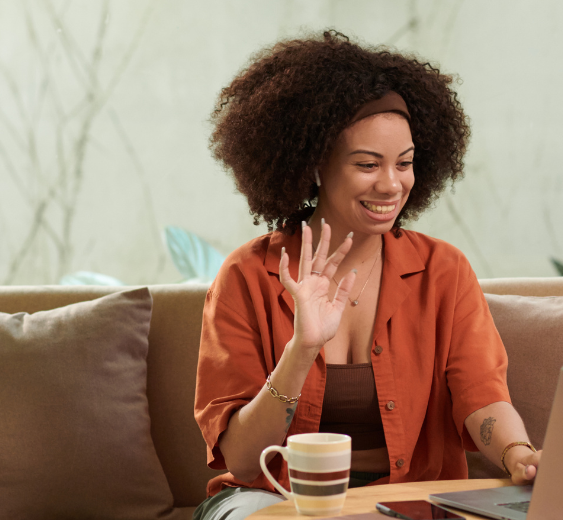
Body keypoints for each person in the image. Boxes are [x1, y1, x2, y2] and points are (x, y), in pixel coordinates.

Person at [192, 31, 541, 520]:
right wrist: (301, 351)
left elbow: (482, 398)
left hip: (409, 500)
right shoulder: (246, 278)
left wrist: (517, 454)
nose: (391, 184)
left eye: (405, 164)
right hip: (273, 499)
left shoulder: (443, 271)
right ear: (314, 165)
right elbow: (246, 460)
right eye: (367, 164)